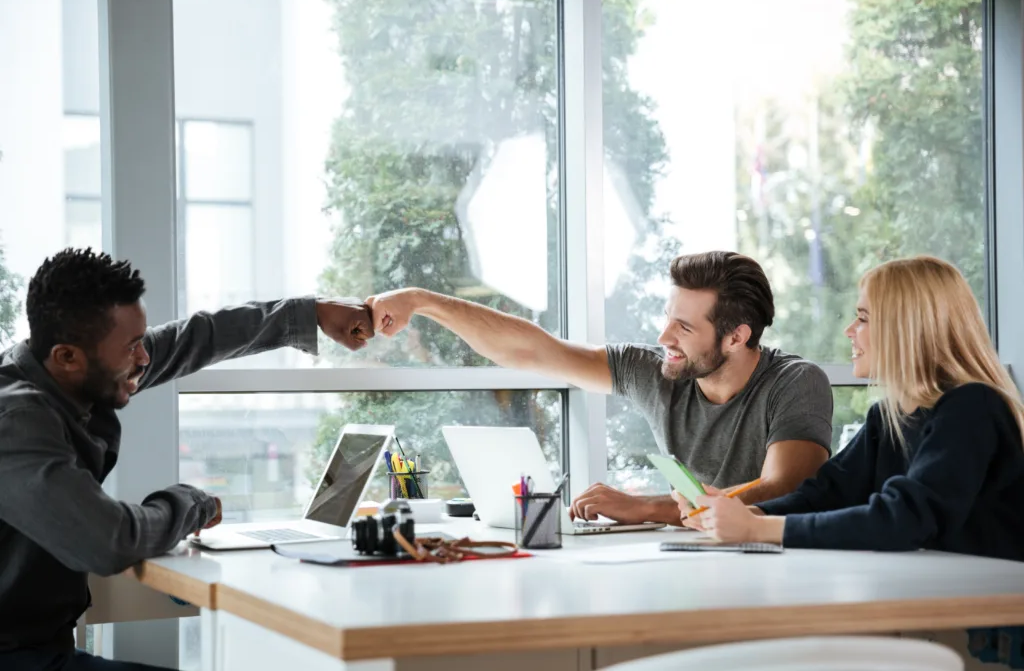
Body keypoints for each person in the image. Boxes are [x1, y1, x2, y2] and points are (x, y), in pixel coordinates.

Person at [0, 248, 374, 670]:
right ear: (67, 356)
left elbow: (195, 338)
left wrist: (312, 314)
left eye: (141, 341)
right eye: (132, 347)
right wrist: (188, 505)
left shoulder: (70, 371)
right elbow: (109, 540)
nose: (144, 358)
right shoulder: (16, 420)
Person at [368, 251, 833, 526]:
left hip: (777, 571)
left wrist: (644, 507)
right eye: (667, 317)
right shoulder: (656, 370)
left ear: (737, 336)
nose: (664, 337)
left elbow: (785, 489)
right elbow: (532, 350)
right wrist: (421, 301)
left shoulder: (795, 382)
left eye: (684, 328)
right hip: (698, 562)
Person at [680, 256, 1024, 561]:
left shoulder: (972, 408)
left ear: (905, 328)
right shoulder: (888, 418)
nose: (849, 331)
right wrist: (742, 514)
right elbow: (826, 494)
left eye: (863, 318)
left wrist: (756, 529)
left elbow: (903, 519)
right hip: (939, 599)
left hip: (990, 615)